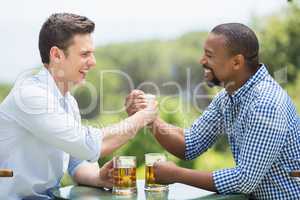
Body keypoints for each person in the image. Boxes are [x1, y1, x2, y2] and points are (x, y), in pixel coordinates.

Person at [126, 23, 300, 199]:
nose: (202, 60)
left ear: (237, 62)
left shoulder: (265, 102)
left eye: (209, 55)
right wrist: (150, 119)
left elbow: (244, 180)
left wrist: (176, 174)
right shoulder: (228, 97)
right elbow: (190, 144)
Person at [0, 13, 157, 199]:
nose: (93, 62)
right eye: (85, 54)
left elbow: (77, 160)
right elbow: (88, 145)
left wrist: (98, 177)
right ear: (56, 55)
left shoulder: (67, 101)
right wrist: (142, 117)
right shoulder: (30, 96)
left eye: (92, 53)